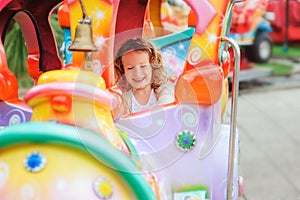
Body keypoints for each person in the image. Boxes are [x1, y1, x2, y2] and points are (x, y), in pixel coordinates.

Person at [113, 37, 174, 115]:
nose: (137, 73)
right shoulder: (125, 99)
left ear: (153, 66)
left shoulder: (163, 90)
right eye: (130, 68)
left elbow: (166, 105)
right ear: (123, 71)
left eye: (143, 66)